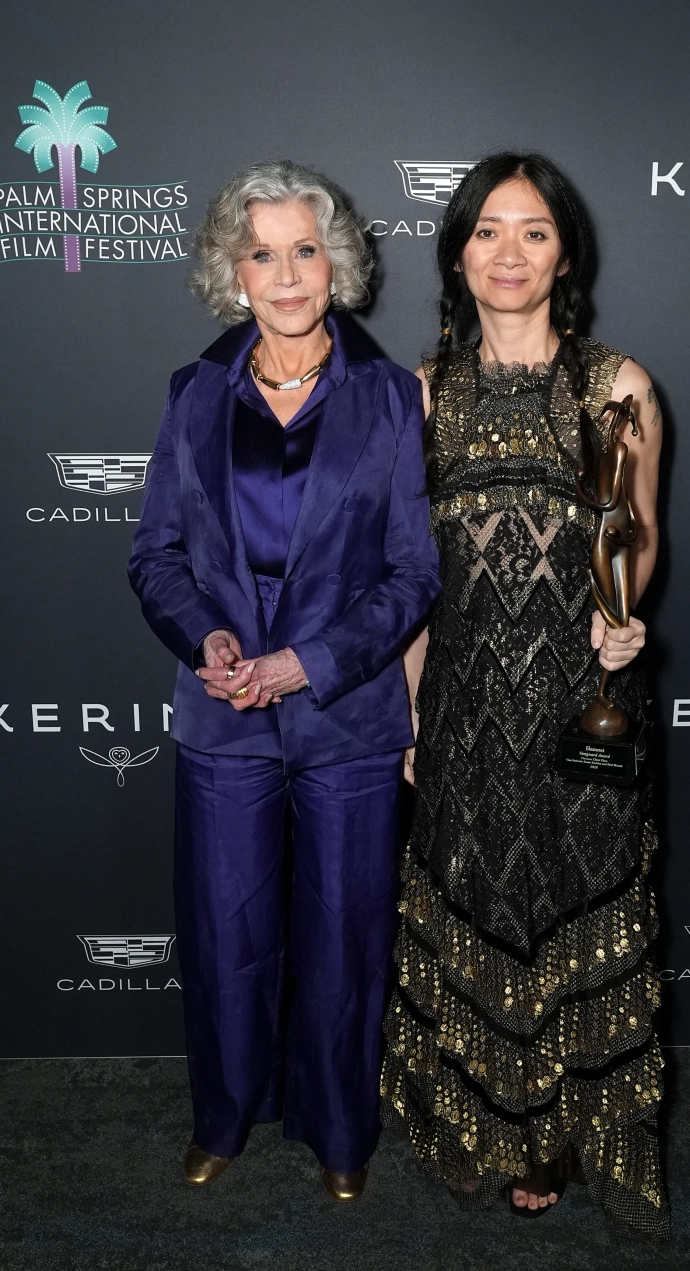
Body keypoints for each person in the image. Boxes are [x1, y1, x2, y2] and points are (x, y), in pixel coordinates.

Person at [128, 160, 440, 1202]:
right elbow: (156, 556)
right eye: (262, 254)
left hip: (348, 712)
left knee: (347, 935)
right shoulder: (192, 393)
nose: (288, 272)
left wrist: (308, 661)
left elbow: (413, 573)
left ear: (336, 263)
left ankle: (341, 1128)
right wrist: (206, 640)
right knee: (226, 932)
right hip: (224, 716)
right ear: (235, 273)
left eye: (305, 249)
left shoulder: (389, 397)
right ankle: (222, 1115)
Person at [381, 152, 670, 1239]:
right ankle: (484, 1120)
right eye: (488, 230)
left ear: (565, 254)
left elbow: (638, 532)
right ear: (458, 252)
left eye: (534, 231)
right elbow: (409, 582)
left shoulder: (617, 386)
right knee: (478, 909)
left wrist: (625, 616)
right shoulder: (421, 396)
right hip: (463, 706)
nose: (510, 252)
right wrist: (413, 712)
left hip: (583, 704)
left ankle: (552, 1132)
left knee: (572, 908)